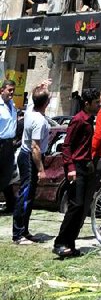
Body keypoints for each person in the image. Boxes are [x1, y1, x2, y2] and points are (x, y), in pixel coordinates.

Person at [53, 88, 101, 259]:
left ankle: (70, 244)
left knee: (81, 208)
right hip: (76, 168)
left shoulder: (90, 120)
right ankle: (60, 243)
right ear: (87, 104)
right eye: (96, 103)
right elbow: (66, 146)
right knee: (75, 206)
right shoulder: (78, 120)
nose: (99, 105)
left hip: (85, 167)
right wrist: (71, 167)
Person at [13, 87, 50, 244]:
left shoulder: (30, 110)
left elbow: (36, 97)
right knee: (26, 196)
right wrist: (41, 170)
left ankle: (24, 230)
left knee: (29, 195)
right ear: (46, 102)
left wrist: (42, 87)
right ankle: (18, 234)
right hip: (30, 157)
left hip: (27, 155)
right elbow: (35, 147)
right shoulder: (39, 121)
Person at [0, 78, 18, 214]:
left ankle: (10, 204)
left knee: (7, 175)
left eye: (13, 90)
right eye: (9, 90)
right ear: (2, 90)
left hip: (9, 144)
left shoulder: (12, 105)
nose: (12, 93)